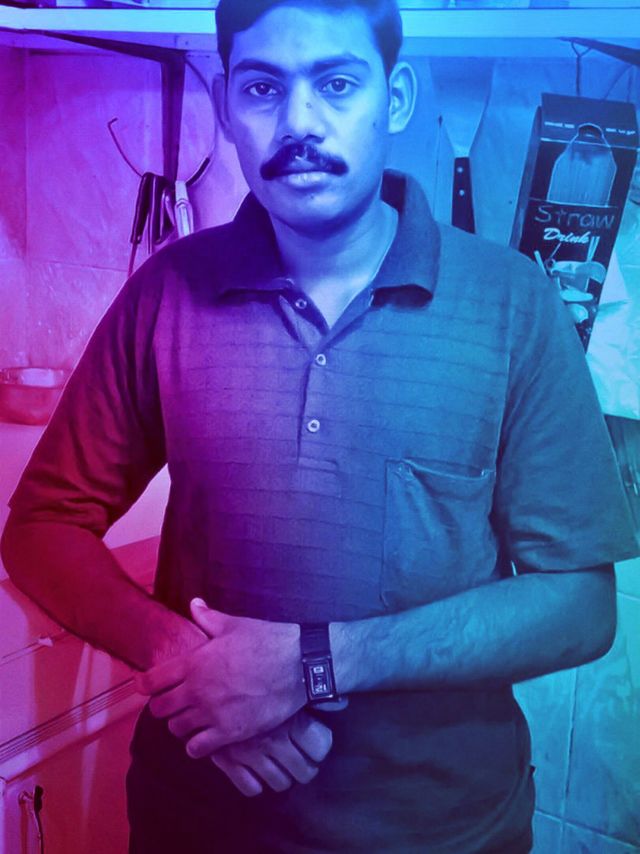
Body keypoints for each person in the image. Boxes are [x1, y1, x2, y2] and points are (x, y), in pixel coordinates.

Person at [2, 0, 638, 851]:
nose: (298, 123)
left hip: (444, 834)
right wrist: (183, 660)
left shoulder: (513, 304)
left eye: (336, 83)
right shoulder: (165, 293)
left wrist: (313, 662)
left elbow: (581, 605)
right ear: (227, 105)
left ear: (395, 97)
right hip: (196, 822)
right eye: (263, 88)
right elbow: (41, 528)